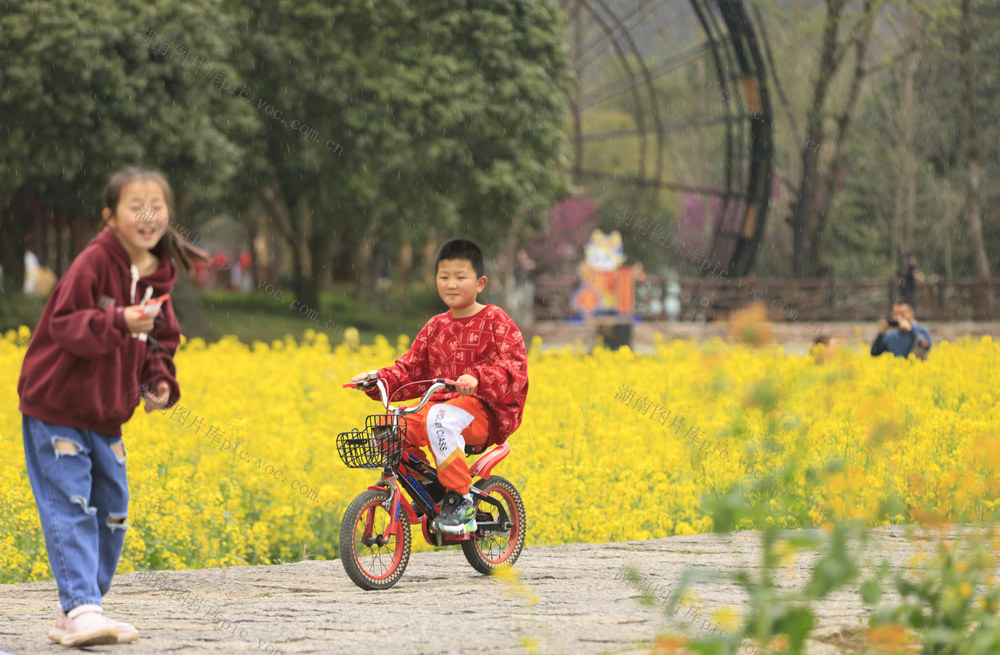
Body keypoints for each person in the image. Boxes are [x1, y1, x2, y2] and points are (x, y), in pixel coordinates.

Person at [17, 167, 205, 647]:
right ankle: (80, 605)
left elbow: (162, 338)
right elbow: (64, 323)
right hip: (56, 405)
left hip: (105, 416)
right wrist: (118, 320)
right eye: (134, 206)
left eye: (156, 206)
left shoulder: (159, 274)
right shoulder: (95, 261)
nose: (147, 216)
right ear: (110, 216)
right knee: (71, 504)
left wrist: (158, 382)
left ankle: (83, 608)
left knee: (113, 513)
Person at [351, 239, 528, 535]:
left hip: (478, 413)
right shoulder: (435, 326)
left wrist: (478, 379)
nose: (451, 284)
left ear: (480, 282)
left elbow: (514, 368)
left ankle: (461, 500)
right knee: (388, 425)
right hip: (439, 407)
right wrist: (376, 379)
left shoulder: (497, 321)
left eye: (460, 277)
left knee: (438, 418)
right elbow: (409, 370)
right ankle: (429, 489)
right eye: (443, 277)